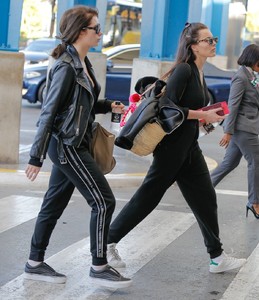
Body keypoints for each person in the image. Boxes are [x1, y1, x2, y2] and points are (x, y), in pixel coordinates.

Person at [107, 22, 246, 273]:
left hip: (188, 147)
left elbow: (187, 109)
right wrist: (202, 116)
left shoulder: (198, 70)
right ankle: (106, 243)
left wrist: (205, 117)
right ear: (193, 46)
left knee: (205, 198)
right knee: (148, 197)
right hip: (172, 147)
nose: (213, 43)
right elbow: (166, 108)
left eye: (213, 39)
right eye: (207, 40)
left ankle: (217, 256)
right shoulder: (184, 70)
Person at [23, 6, 132, 289]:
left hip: (77, 141)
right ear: (81, 31)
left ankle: (34, 262)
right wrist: (36, 156)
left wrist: (107, 105)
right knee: (103, 200)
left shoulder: (84, 62)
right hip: (68, 145)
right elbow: (49, 112)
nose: (100, 33)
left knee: (54, 202)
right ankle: (99, 266)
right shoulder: (65, 67)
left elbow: (80, 106)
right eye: (96, 28)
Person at [210, 44, 259, 218]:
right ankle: (254, 202)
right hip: (243, 128)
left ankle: (202, 190)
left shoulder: (251, 75)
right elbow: (234, 105)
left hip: (248, 126)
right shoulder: (241, 77)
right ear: (253, 59)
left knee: (230, 163)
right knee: (256, 162)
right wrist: (228, 131)